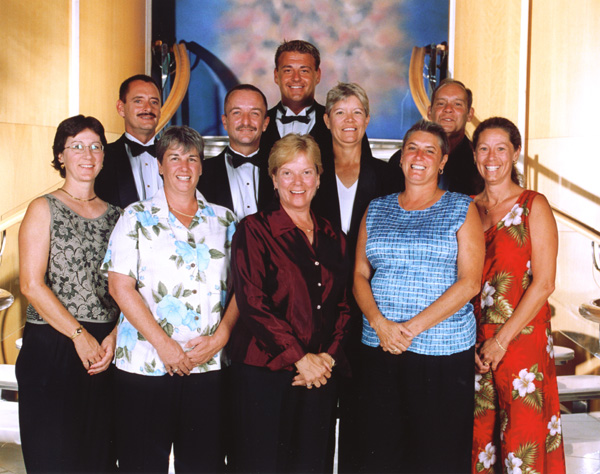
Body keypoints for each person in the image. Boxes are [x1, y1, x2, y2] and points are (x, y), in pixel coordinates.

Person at [102, 126, 238, 473]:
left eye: (192, 158)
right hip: (146, 364)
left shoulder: (226, 220)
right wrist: (164, 345)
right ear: (160, 165)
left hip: (206, 364)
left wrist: (220, 338)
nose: (184, 165)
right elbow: (120, 287)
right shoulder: (134, 217)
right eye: (174, 157)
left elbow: (243, 290)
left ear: (202, 166)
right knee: (142, 465)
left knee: (204, 465)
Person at [354, 120, 485, 473]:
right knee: (381, 452)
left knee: (436, 455)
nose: (419, 156)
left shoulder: (462, 207)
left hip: (441, 352)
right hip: (380, 346)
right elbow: (359, 275)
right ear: (400, 158)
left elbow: (470, 282)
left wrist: (408, 329)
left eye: (430, 151)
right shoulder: (377, 208)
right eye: (412, 147)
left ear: (442, 161)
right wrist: (381, 325)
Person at [228, 134, 351, 473]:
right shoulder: (253, 230)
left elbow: (344, 305)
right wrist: (301, 359)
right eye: (287, 173)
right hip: (264, 374)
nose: (298, 182)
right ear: (273, 178)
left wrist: (325, 359)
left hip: (319, 376)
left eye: (307, 172)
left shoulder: (333, 236)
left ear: (319, 177)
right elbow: (253, 302)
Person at [17, 115, 121, 473]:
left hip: (105, 350)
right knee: (54, 457)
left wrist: (115, 336)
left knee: (98, 459)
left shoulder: (119, 216)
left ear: (104, 156)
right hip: (54, 345)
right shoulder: (42, 208)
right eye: (76, 146)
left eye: (95, 146)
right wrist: (79, 336)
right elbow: (31, 284)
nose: (87, 154)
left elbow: (130, 288)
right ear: (61, 156)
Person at [471, 117, 566, 474]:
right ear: (474, 154)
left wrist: (501, 341)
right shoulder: (465, 207)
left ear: (515, 154)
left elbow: (544, 284)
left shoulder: (532, 205)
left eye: (500, 148)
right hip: (475, 343)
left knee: (520, 447)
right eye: (483, 148)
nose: (491, 157)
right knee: (480, 443)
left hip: (520, 340)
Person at [311, 82, 388, 472]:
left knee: (364, 415)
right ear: (326, 120)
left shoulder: (387, 175)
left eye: (357, 112)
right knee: (316, 417)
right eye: (340, 112)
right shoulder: (311, 173)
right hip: (317, 312)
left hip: (368, 311)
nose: (349, 120)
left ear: (367, 119)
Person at [259, 39, 370, 158]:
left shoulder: (342, 124)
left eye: (304, 70)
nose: (296, 78)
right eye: (288, 70)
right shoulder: (258, 125)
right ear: (276, 76)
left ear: (317, 76)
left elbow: (365, 172)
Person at [387, 78, 484, 195]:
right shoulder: (403, 160)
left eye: (457, 104)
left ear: (469, 114)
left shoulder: (481, 163)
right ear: (429, 112)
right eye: (441, 103)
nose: (448, 109)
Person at [197, 84, 273, 218]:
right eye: (237, 112)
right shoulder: (201, 174)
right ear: (225, 122)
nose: (246, 121)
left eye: (254, 113)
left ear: (265, 123)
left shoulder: (283, 172)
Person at [95, 74, 162, 208]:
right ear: (121, 108)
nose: (148, 108)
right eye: (138, 101)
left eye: (154, 102)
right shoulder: (101, 159)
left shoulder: (176, 157)